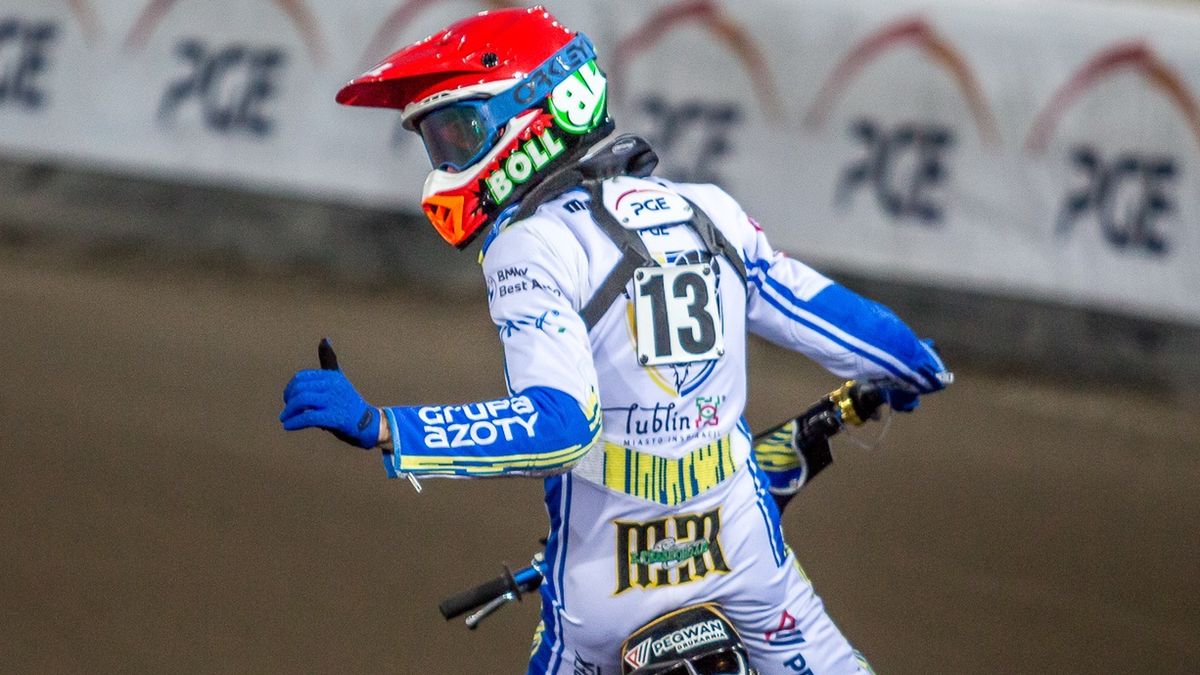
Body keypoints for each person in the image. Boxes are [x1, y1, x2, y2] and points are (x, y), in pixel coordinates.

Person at [280, 6, 951, 674]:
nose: (447, 157)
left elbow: (562, 428)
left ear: (539, 111)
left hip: (607, 580)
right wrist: (912, 369)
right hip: (742, 558)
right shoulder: (709, 209)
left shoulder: (531, 244)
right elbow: (841, 322)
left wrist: (386, 427)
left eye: (460, 132)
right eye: (439, 139)